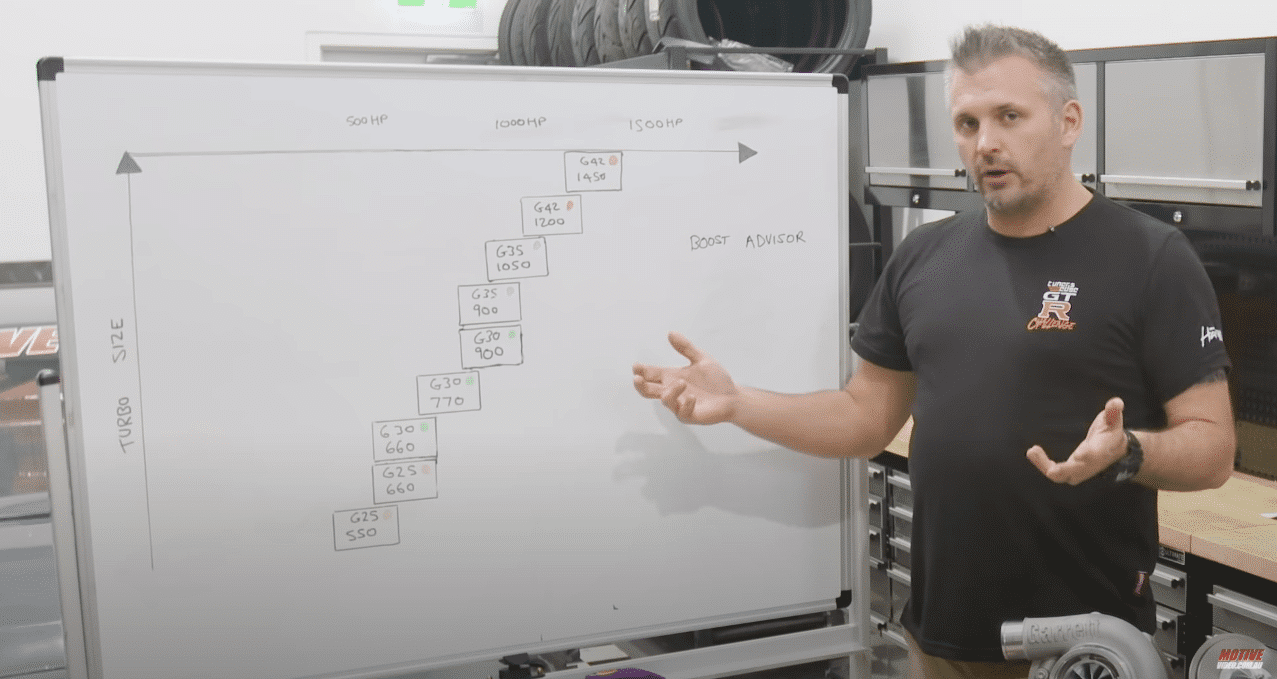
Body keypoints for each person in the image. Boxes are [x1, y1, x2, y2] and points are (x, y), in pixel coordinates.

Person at [632, 24, 1236, 679]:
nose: (985, 143)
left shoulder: (1150, 258)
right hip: (942, 636)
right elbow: (864, 416)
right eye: (967, 123)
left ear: (1068, 122)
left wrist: (1129, 451)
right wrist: (737, 402)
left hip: (1081, 647)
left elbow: (1212, 448)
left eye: (1008, 116)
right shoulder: (924, 256)